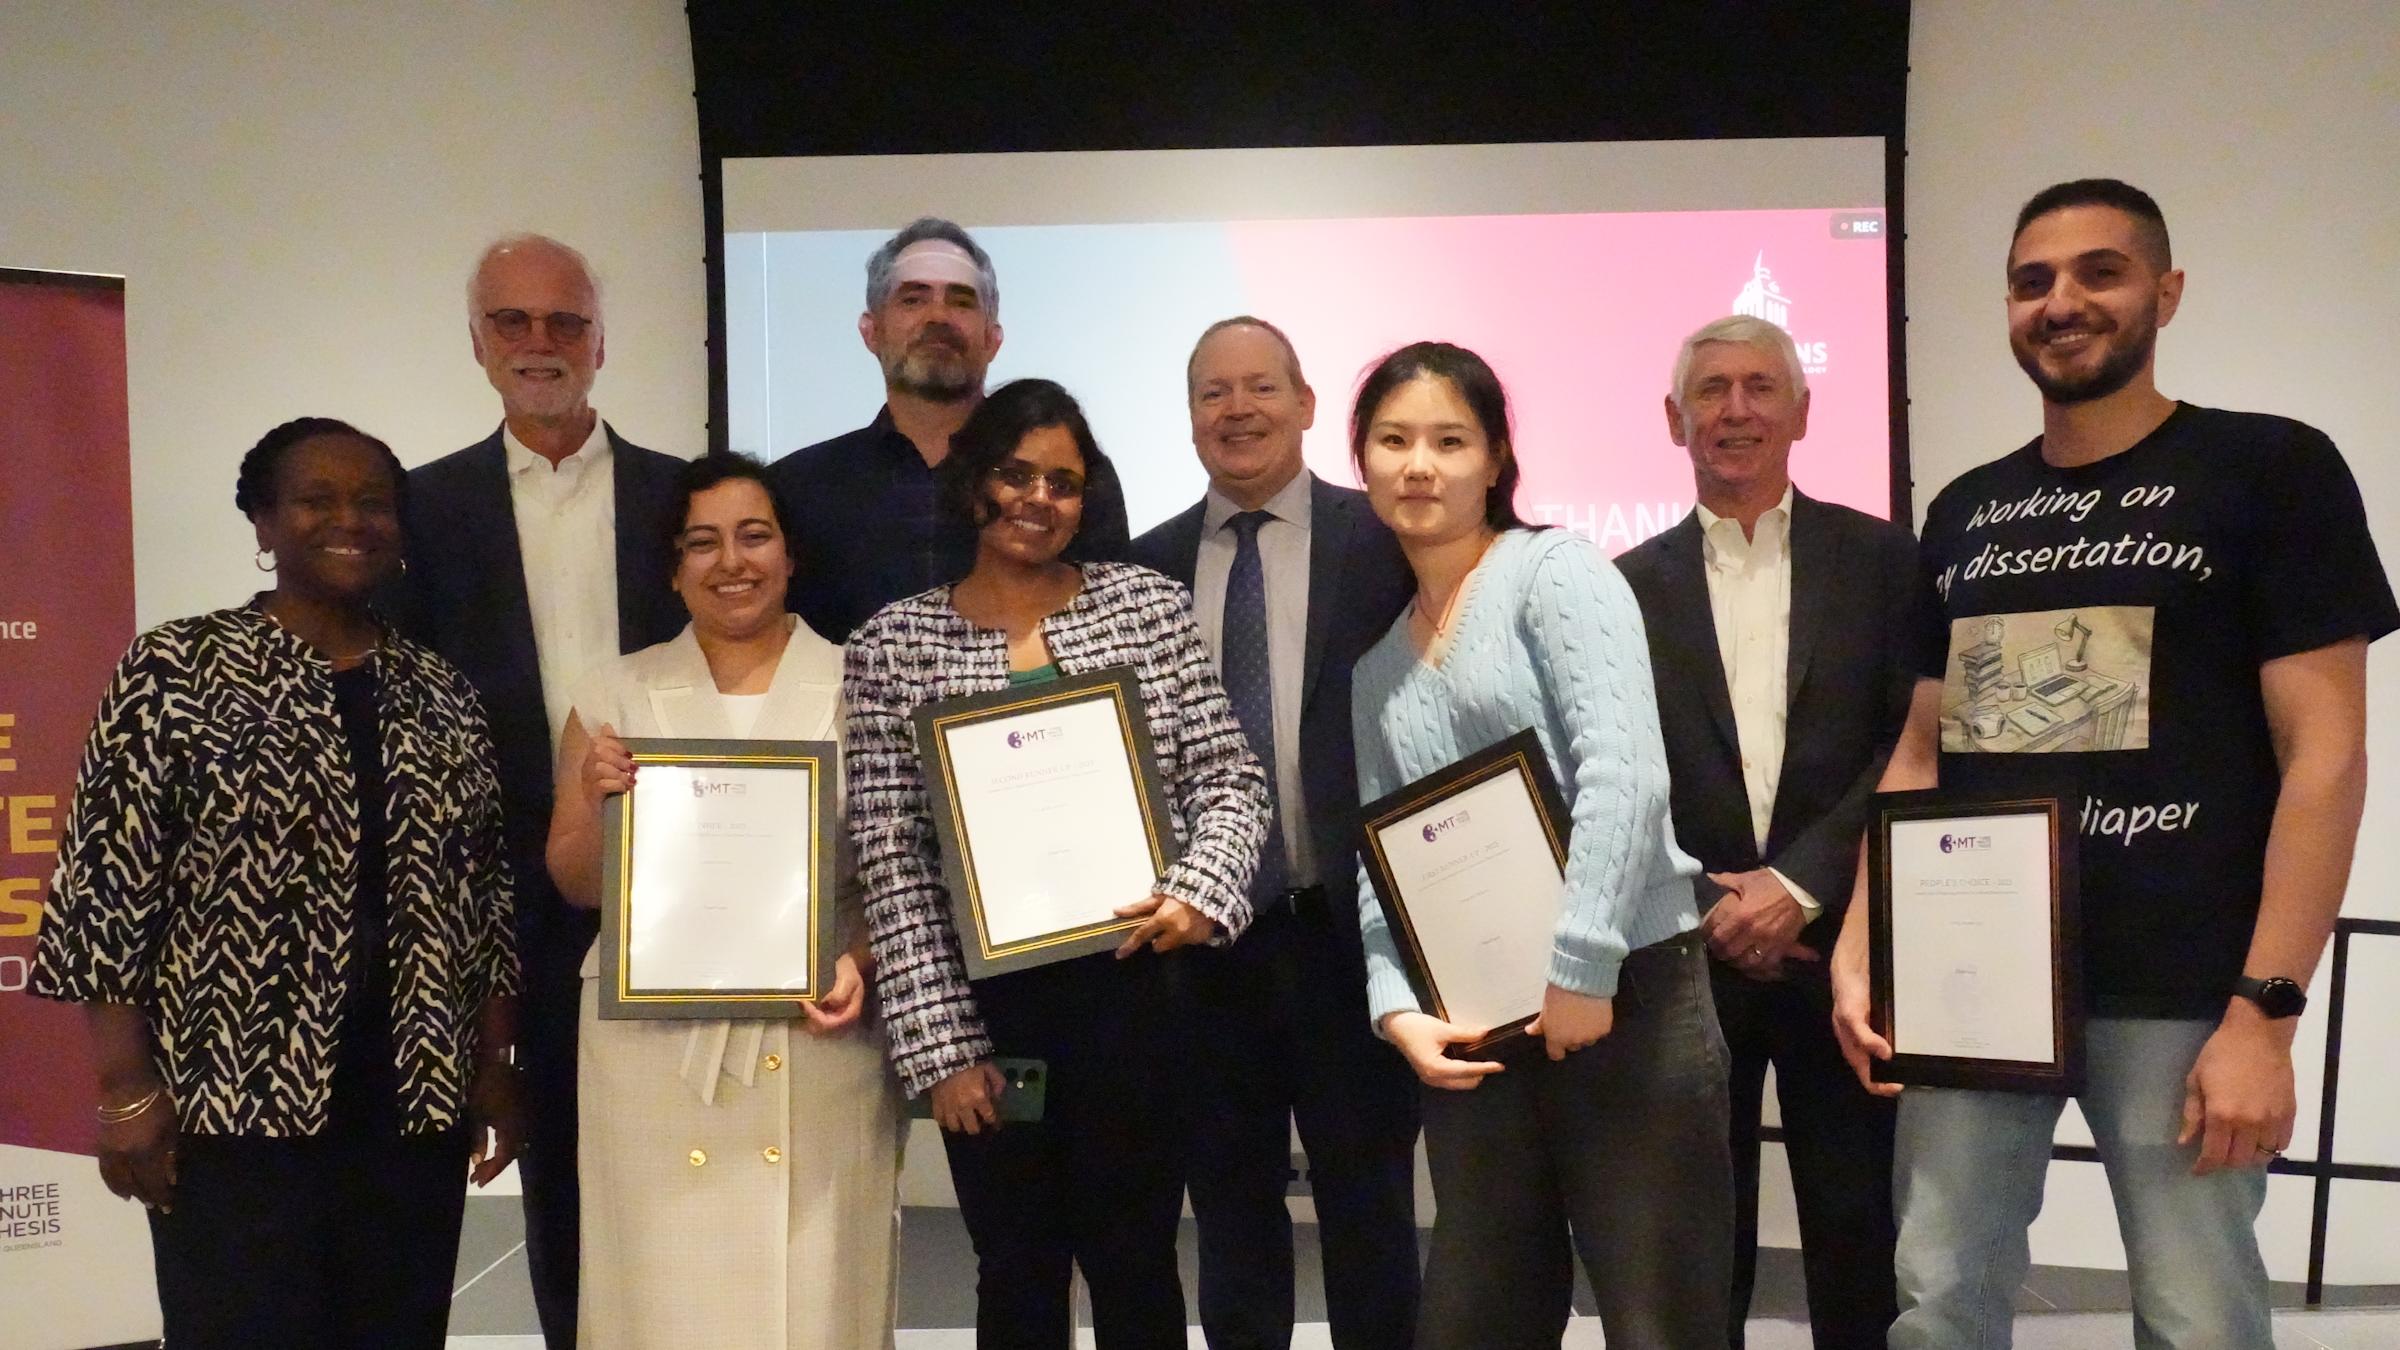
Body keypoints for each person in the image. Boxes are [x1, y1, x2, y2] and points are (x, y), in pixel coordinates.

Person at [1829, 179, 2397, 1348]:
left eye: (2100, 271)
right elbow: (1926, 746)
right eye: (2033, 280)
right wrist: (1859, 942)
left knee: (2197, 1318)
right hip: (1976, 982)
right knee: (1939, 1297)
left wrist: (2268, 1014)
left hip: (2190, 994)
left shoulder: (2270, 470)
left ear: (2165, 293)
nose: (2063, 301)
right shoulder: (1967, 511)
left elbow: (2328, 757)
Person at [32, 418, 522, 1348]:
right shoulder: (176, 670)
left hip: (411, 1105)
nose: (350, 520)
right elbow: (105, 894)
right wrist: (126, 1092)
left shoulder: (440, 690)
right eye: (316, 500)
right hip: (231, 1107)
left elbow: (485, 895)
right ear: (263, 522)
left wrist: (494, 1068)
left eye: (373, 502)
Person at [844, 377, 1270, 1348]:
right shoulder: (892, 644)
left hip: (1140, 995)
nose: (1040, 498)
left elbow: (1229, 782)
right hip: (989, 1015)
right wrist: (942, 1051)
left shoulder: (1147, 607)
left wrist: (1199, 896)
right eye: (1016, 474)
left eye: (1065, 483)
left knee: (1137, 1262)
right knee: (1016, 1267)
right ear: (973, 481)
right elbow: (892, 860)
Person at [1348, 341, 1734, 1348]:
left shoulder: (1553, 572)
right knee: (1478, 1319)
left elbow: (1627, 772)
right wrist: (1398, 1012)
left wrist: (1581, 962)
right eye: (1393, 440)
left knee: (1663, 1321)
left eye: (1448, 439)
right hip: (1478, 1022)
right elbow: (1380, 863)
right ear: (1363, 462)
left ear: (1496, 457)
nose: (1418, 464)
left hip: (1628, 993)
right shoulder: (1375, 669)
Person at [396, 233, 687, 1346]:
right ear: (476, 344)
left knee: (672, 1148)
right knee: (558, 1171)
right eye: (511, 322)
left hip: (669, 871)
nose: (539, 343)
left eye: (564, 321)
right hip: (494, 889)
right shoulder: (420, 512)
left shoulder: (681, 499)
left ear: (602, 341)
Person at [544, 452, 904, 1349]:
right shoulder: (615, 691)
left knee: (820, 1289)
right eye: (702, 543)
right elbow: (575, 879)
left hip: (817, 1028)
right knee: (663, 1290)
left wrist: (856, 962)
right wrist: (593, 797)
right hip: (650, 1046)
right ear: (672, 567)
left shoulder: (865, 684)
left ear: (790, 555)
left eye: (754, 535)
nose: (731, 561)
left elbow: (902, 876)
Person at [1616, 315, 1915, 1348]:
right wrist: (1713, 901)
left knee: (1856, 1222)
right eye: (1710, 391)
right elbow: (1613, 775)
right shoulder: (1619, 587)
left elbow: (1909, 742)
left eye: (1758, 387)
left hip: (1848, 951)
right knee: (1701, 1233)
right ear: (1674, 420)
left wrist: (1800, 882)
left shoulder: (1883, 561)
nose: (1734, 410)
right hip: (1689, 956)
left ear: (1801, 411)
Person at [1127, 316, 1420, 1350]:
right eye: (1214, 393)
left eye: (1260, 388)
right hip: (1204, 950)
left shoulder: (1386, 541)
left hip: (1352, 934)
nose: (1237, 410)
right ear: (1191, 417)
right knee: (1231, 1210)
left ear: (1304, 404)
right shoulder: (1144, 566)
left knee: (1372, 1210)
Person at [773, 216, 1129, 643]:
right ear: (871, 332)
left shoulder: (1065, 485)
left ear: (992, 339)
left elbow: (1111, 632)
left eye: (961, 301)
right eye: (913, 299)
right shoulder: (796, 488)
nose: (938, 316)